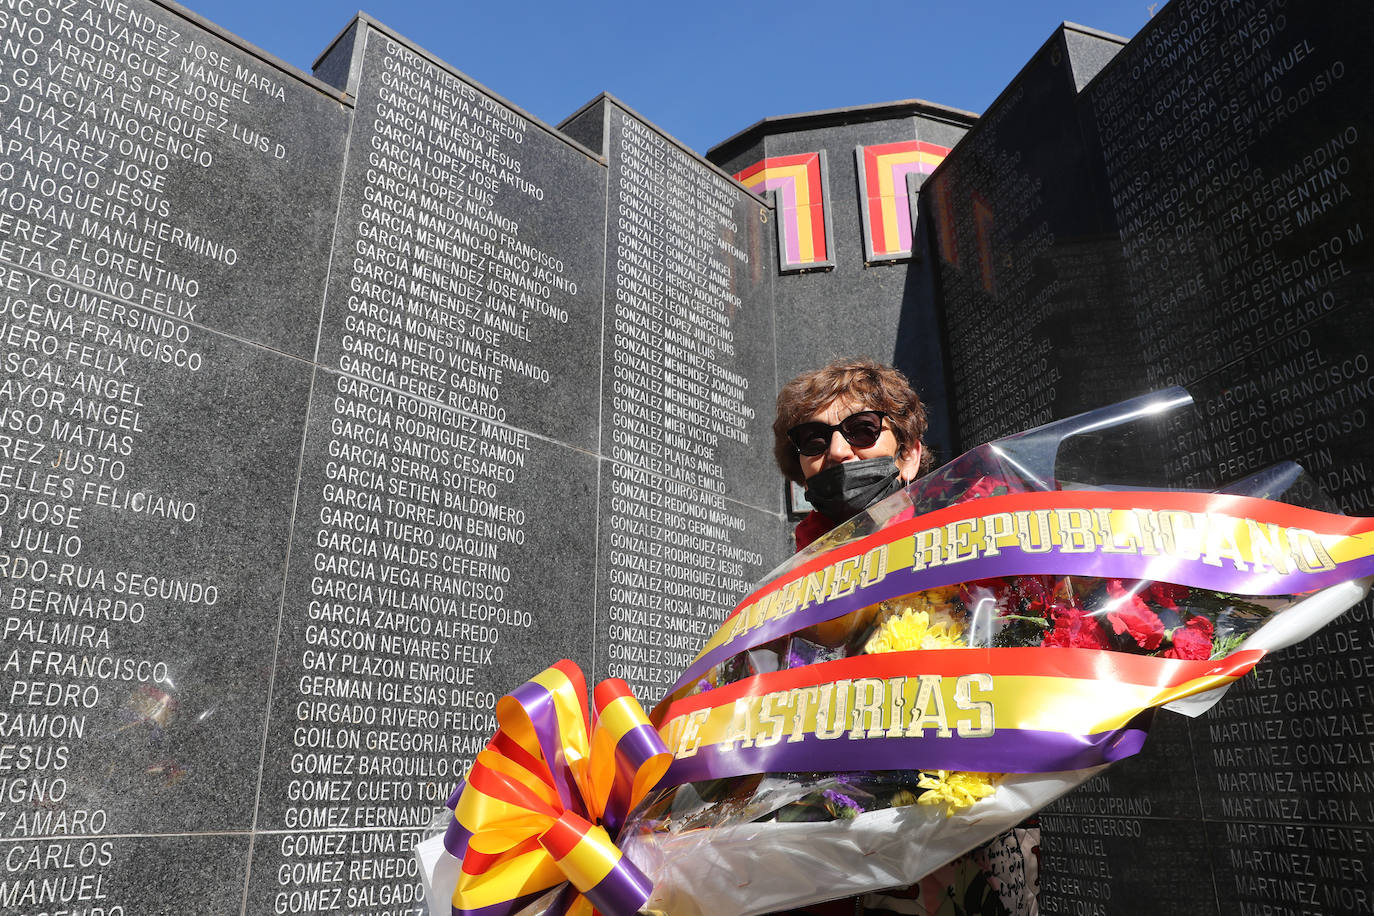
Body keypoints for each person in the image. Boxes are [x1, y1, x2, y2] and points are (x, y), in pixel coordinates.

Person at [769, 357, 1037, 916]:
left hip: (969, 833)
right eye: (814, 440)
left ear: (909, 454)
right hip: (836, 853)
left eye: (862, 430)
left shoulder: (974, 543)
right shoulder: (789, 591)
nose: (839, 453)